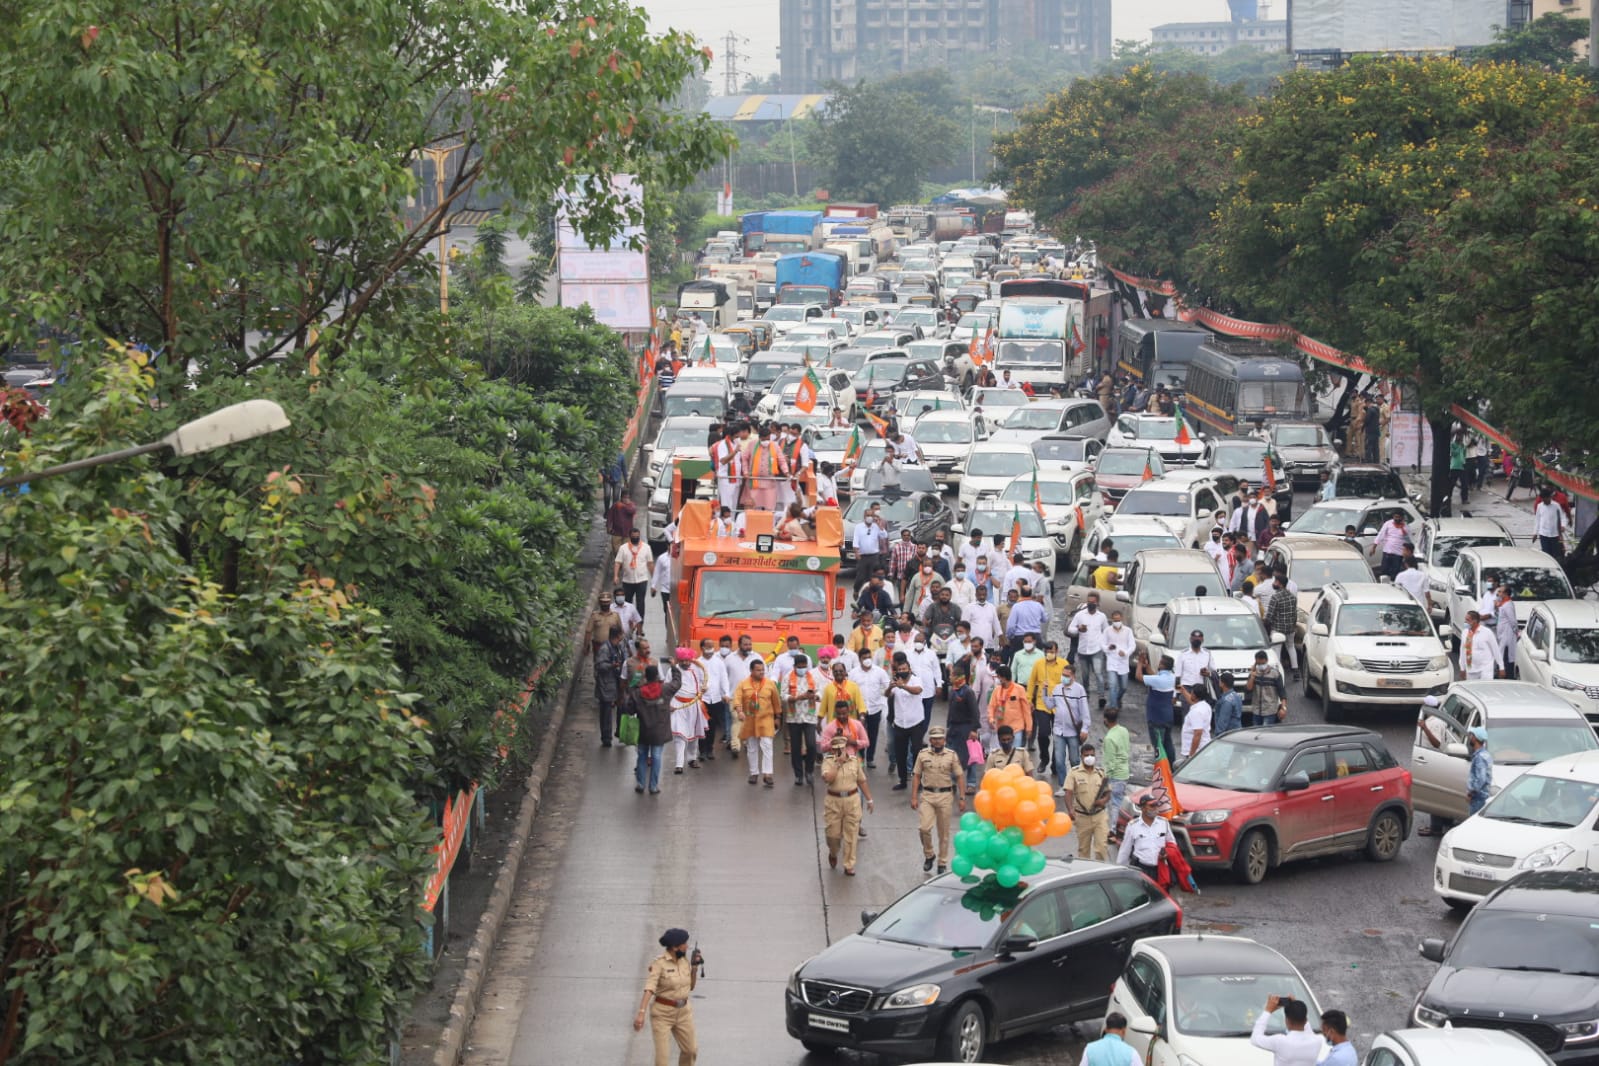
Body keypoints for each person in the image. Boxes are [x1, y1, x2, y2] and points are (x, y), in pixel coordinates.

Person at [635, 928, 701, 1066]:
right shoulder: (659, 964)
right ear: (674, 947)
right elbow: (649, 988)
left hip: (684, 1013)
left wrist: (694, 968)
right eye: (684, 944)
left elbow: (691, 987)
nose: (687, 946)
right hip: (662, 1015)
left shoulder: (684, 962)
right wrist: (641, 1013)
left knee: (691, 1051)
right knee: (662, 1061)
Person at [912, 725, 966, 874]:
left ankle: (942, 862)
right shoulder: (923, 755)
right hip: (928, 795)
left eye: (940, 739)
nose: (937, 742)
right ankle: (929, 854)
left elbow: (960, 776)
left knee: (943, 832)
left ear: (944, 740)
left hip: (945, 795)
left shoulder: (951, 755)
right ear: (930, 740)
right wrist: (914, 796)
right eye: (934, 739)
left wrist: (961, 798)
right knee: (924, 828)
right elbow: (916, 775)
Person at [821, 733, 874, 876]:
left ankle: (849, 864)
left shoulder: (854, 761)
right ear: (832, 750)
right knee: (833, 835)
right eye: (836, 749)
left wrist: (869, 799)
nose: (839, 752)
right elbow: (828, 779)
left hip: (852, 799)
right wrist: (838, 763)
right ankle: (833, 853)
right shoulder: (828, 762)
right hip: (834, 801)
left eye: (842, 749)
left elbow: (862, 781)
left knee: (851, 834)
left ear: (846, 748)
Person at [635, 663, 683, 795]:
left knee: (642, 756)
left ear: (646, 676)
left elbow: (629, 708)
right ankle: (653, 786)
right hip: (659, 731)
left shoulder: (639, 692)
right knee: (656, 757)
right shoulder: (666, 689)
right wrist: (674, 667)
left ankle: (640, 783)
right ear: (657, 676)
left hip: (643, 730)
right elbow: (677, 683)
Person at [733, 658, 782, 787]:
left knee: (767, 745)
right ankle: (754, 773)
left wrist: (778, 717)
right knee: (752, 747)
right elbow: (737, 698)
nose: (761, 672)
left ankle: (768, 774)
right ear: (751, 670)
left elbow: (776, 702)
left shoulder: (770, 684)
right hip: (749, 719)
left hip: (766, 719)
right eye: (758, 670)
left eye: (763, 670)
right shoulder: (743, 684)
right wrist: (739, 711)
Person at [888, 651, 927, 791]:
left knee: (917, 751)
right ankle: (902, 780)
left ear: (909, 669)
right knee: (900, 753)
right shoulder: (895, 680)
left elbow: (917, 691)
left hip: (915, 722)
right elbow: (888, 695)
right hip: (900, 723)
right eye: (900, 670)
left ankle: (919, 780)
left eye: (904, 669)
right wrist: (890, 687)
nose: (902, 671)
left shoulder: (916, 679)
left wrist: (903, 686)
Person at [1064, 742, 1111, 860]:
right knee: (1083, 851)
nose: (1090, 758)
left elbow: (1108, 793)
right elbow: (1068, 792)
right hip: (1082, 817)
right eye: (1086, 755)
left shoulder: (1100, 773)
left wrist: (1103, 801)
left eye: (1092, 755)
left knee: (1101, 848)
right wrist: (1070, 810)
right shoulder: (1074, 773)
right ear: (1081, 756)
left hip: (1099, 816)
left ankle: (1101, 872)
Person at [782, 653, 824, 787]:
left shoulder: (812, 676)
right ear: (795, 666)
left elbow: (819, 693)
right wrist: (798, 697)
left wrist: (815, 696)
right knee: (796, 747)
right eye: (800, 667)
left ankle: (809, 771)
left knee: (811, 745)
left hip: (809, 716)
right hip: (794, 717)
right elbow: (783, 695)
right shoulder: (787, 677)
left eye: (804, 667)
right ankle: (798, 775)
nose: (802, 669)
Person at [1026, 640, 1066, 773]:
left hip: (1059, 705)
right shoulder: (1038, 664)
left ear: (1057, 651)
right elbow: (1032, 682)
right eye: (1047, 651)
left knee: (1058, 736)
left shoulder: (1064, 664)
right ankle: (1044, 758)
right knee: (1043, 734)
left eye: (1052, 651)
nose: (1049, 654)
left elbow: (1070, 683)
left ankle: (1056, 763)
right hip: (1042, 704)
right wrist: (1029, 699)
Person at [1049, 662, 1091, 789]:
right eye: (1063, 675)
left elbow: (1084, 711)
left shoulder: (1079, 690)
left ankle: (1076, 784)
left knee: (1074, 760)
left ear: (1073, 676)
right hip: (1058, 731)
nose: (1064, 677)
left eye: (1067, 675)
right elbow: (1050, 705)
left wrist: (1085, 729)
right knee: (1059, 761)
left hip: (1073, 732)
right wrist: (1045, 692)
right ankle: (1063, 786)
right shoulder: (1057, 689)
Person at [668, 648, 708, 774]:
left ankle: (692, 758)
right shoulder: (672, 670)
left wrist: (705, 688)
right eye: (682, 660)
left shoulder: (697, 669)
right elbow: (666, 687)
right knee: (679, 735)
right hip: (677, 704)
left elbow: (705, 683)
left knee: (694, 733)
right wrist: (669, 704)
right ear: (679, 660)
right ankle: (679, 764)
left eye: (687, 660)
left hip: (693, 705)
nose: (685, 663)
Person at [1251, 996, 1321, 1066]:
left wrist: (1268, 1010)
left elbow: (1255, 1038)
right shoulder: (1317, 1041)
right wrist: (1296, 1007)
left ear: (1287, 1021)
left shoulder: (1279, 1041)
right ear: (1305, 1020)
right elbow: (1307, 1028)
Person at [1117, 794, 1174, 881]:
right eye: (1152, 806)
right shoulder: (1133, 826)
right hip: (1141, 869)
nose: (1155, 808)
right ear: (1143, 808)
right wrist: (1121, 871)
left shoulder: (1164, 823)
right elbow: (1125, 850)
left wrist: (1167, 853)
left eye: (1156, 805)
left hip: (1160, 869)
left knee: (1161, 894)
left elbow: (1172, 844)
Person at [851, 649, 891, 770]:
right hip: (859, 710)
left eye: (869, 657)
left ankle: (870, 758)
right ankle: (861, 757)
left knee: (873, 735)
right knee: (859, 735)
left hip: (875, 708)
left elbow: (888, 686)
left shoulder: (879, 672)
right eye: (864, 657)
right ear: (859, 659)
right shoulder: (853, 673)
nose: (867, 660)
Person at [1069, 593, 1111, 705]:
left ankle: (1101, 696)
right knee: (1085, 675)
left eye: (1093, 602)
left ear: (1097, 603)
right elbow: (1070, 629)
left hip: (1096, 649)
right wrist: (1079, 629)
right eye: (1089, 602)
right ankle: (1086, 693)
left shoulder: (1101, 616)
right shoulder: (1080, 615)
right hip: (1083, 650)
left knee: (1098, 673)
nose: (1090, 604)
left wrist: (1104, 645)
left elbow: (1106, 632)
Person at [945, 663, 982, 789]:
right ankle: (953, 780)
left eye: (951, 675)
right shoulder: (952, 691)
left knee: (970, 756)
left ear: (958, 677)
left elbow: (975, 712)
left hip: (966, 728)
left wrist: (974, 729)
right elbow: (950, 711)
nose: (949, 677)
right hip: (954, 728)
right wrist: (948, 727)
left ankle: (971, 783)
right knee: (952, 755)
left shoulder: (968, 692)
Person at [1137, 652, 1177, 762]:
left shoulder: (1158, 680)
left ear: (1162, 665)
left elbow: (1139, 676)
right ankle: (1171, 767)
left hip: (1156, 719)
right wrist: (1147, 666)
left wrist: (1140, 664)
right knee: (1168, 743)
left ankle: (1161, 770)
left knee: (1158, 747)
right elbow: (1154, 676)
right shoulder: (1171, 677)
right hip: (1168, 717)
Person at [595, 625, 629, 748]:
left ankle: (620, 732)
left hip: (617, 682)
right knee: (606, 711)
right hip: (606, 684)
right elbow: (599, 666)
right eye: (621, 634)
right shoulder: (605, 649)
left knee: (623, 706)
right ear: (617, 635)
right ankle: (606, 737)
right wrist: (612, 665)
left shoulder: (618, 647)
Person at [696, 639, 730, 762]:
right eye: (708, 647)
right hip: (702, 699)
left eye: (712, 646)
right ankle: (702, 751)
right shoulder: (697, 663)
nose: (710, 649)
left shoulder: (719, 662)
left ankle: (710, 749)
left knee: (712, 726)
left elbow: (724, 679)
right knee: (702, 726)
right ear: (702, 648)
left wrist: (726, 693)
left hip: (716, 699)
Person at [1264, 575, 1300, 682]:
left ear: (1279, 583)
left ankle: (1278, 673)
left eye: (1275, 581)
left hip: (1278, 628)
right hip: (1290, 627)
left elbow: (1269, 615)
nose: (1273, 583)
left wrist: (1265, 626)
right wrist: (1293, 625)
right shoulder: (1292, 597)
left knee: (1277, 650)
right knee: (1291, 647)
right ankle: (1296, 670)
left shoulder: (1275, 597)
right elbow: (1294, 613)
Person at [987, 664, 1031, 750]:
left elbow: (1026, 710)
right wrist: (991, 719)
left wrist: (1029, 727)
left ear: (1004, 677)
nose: (998, 679)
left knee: (1015, 753)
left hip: (1016, 728)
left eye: (999, 677)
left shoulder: (1019, 689)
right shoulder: (997, 690)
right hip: (1001, 728)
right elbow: (991, 706)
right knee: (1003, 754)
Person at [614, 529, 654, 621]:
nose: (635, 538)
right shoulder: (623, 548)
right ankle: (628, 623)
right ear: (630, 536)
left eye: (637, 536)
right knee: (627, 603)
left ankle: (640, 626)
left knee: (640, 603)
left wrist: (654, 579)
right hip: (627, 580)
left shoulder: (646, 548)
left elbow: (650, 563)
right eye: (633, 536)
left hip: (642, 580)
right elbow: (617, 562)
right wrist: (615, 576)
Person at [1245, 649, 1287, 727]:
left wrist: (1283, 708)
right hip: (1256, 711)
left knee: (1266, 734)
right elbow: (1248, 689)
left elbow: (1282, 692)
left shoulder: (1275, 674)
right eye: (1259, 663)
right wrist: (1252, 676)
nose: (1261, 665)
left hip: (1270, 711)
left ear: (1267, 661)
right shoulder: (1254, 674)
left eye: (1263, 663)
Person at [1101, 707, 1131, 813]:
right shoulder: (1124, 730)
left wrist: (1104, 779)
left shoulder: (1109, 738)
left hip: (1115, 776)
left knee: (1114, 805)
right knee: (1118, 802)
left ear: (1105, 720)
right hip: (1124, 772)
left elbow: (1110, 762)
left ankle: (1113, 828)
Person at [1459, 610, 1503, 681]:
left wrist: (1501, 667)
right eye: (1465, 619)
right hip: (1471, 669)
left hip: (1485, 668)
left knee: (1485, 689)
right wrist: (1462, 668)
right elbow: (1462, 651)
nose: (1465, 622)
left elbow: (1496, 650)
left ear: (1475, 621)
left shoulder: (1487, 632)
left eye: (1467, 620)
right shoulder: (1465, 633)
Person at [852, 513, 890, 594]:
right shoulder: (859, 527)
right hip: (862, 556)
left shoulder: (876, 526)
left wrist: (880, 525)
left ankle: (870, 594)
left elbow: (884, 536)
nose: (869, 517)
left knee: (872, 576)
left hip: (874, 556)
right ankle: (856, 590)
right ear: (864, 516)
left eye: (871, 515)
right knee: (860, 577)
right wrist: (856, 552)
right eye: (867, 515)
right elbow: (855, 540)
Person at [1105, 610, 1135, 710]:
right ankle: (1113, 707)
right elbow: (1102, 644)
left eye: (1118, 619)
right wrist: (1108, 648)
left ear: (1121, 619)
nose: (1116, 621)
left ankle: (1117, 698)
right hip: (1111, 661)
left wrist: (1126, 653)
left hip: (1123, 662)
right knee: (1113, 685)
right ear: (1112, 620)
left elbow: (1132, 645)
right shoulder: (1107, 631)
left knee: (1124, 686)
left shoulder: (1128, 631)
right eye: (1114, 620)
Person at [1174, 629, 1214, 704]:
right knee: (1186, 713)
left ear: (1202, 640)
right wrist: (1175, 694)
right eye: (1194, 639)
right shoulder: (1183, 654)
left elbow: (1213, 671)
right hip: (1187, 688)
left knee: (1201, 712)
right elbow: (1177, 675)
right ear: (1190, 639)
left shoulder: (1207, 653)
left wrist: (1208, 673)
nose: (1196, 640)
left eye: (1198, 639)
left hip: (1201, 689)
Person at [1369, 511, 1410, 579]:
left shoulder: (1406, 527)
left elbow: (1408, 540)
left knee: (1395, 573)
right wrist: (1374, 547)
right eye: (1395, 517)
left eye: (1398, 517)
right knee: (1384, 571)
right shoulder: (1388, 524)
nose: (1396, 519)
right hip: (1387, 552)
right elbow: (1380, 535)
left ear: (1402, 518)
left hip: (1398, 554)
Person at [1467, 725, 1493, 815]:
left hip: (1478, 798)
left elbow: (1480, 779)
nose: (1470, 737)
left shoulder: (1479, 757)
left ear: (1475, 738)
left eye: (1472, 735)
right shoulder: (1485, 754)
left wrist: (1471, 794)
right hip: (1483, 796)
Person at [1535, 485, 1567, 559]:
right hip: (1543, 534)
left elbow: (1563, 516)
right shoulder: (1539, 506)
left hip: (1555, 535)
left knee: (1556, 554)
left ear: (1550, 497)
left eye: (1545, 499)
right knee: (1546, 555)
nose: (1544, 501)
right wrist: (1535, 533)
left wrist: (1563, 525)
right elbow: (1537, 520)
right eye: (1542, 499)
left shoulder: (1556, 506)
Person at [1180, 689, 1213, 761]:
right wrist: (1183, 690)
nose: (1190, 695)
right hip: (1203, 748)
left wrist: (1191, 756)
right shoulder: (1206, 706)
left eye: (1191, 693)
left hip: (1196, 752)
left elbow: (1198, 733)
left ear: (1194, 695)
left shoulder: (1196, 711)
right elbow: (1192, 701)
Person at [1495, 585, 1519, 679]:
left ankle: (1506, 676)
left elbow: (1513, 621)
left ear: (1505, 593)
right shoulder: (1503, 604)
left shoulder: (1508, 605)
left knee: (1506, 656)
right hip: (1502, 635)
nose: (1498, 593)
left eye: (1500, 592)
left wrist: (1517, 632)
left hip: (1507, 635)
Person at [606, 493, 637, 557]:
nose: (626, 499)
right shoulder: (615, 505)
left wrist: (624, 506)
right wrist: (608, 526)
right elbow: (610, 516)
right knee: (616, 550)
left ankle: (622, 564)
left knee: (625, 551)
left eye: (627, 498)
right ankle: (619, 562)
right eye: (624, 498)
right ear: (621, 498)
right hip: (616, 532)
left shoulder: (631, 505)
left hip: (627, 533)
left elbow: (632, 511)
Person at [1213, 672, 1243, 737]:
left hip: (1229, 734)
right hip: (1237, 730)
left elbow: (1223, 721)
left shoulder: (1226, 700)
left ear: (1222, 683)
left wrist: (1217, 735)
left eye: (1220, 681)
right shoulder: (1237, 696)